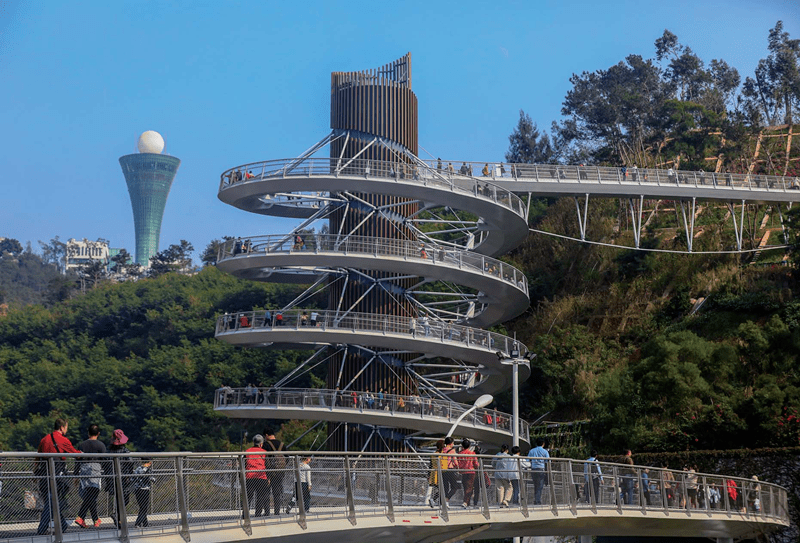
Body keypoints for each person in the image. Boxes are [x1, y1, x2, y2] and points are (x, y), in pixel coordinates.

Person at [37, 418, 81, 535]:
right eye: (66, 427)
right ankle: (42, 529)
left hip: (44, 473)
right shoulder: (63, 440)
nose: (66, 429)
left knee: (51, 500)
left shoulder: (44, 439)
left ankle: (62, 525)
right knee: (52, 500)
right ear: (62, 427)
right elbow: (74, 453)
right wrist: (82, 453)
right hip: (57, 474)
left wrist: (34, 472)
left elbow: (37, 457)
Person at [75, 424, 106, 528]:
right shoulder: (101, 445)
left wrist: (76, 474)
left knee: (90, 495)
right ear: (98, 433)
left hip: (84, 470)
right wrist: (107, 473)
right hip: (96, 470)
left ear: (88, 433)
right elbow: (105, 461)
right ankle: (81, 516)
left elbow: (77, 460)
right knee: (93, 492)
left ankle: (94, 519)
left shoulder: (82, 445)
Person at [107, 429, 135, 528]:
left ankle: (117, 518)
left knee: (115, 498)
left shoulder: (109, 450)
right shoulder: (124, 450)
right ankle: (118, 517)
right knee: (124, 499)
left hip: (111, 477)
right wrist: (129, 473)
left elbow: (105, 464)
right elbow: (131, 462)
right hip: (123, 478)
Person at [262, 428, 287, 516]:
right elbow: (287, 457)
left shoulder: (265, 445)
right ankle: (277, 512)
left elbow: (263, 458)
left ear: (266, 435)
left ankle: (267, 512)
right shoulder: (282, 444)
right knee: (277, 493)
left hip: (268, 473)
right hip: (279, 473)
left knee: (266, 493)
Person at [245, 435, 269, 517]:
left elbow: (244, 463)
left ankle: (245, 513)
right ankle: (258, 513)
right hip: (261, 476)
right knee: (260, 496)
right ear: (261, 444)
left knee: (248, 496)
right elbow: (267, 464)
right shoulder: (264, 452)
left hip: (249, 476)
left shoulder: (247, 451)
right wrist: (268, 477)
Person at [133, 459, 155, 527]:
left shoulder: (149, 470)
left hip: (146, 489)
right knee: (143, 507)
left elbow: (152, 478)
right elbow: (139, 475)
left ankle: (145, 523)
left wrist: (152, 479)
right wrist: (145, 468)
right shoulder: (139, 469)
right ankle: (138, 523)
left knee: (144, 507)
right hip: (140, 489)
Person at [528, 438, 550, 505]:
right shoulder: (545, 451)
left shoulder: (531, 451)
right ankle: (538, 500)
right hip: (541, 469)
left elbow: (527, 460)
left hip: (533, 469)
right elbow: (548, 461)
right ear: (543, 444)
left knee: (535, 485)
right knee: (540, 486)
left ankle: (536, 499)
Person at [457, 439, 478, 508]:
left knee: (465, 487)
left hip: (463, 471)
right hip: (471, 471)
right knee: (469, 487)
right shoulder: (472, 454)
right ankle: (466, 502)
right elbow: (476, 463)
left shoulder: (460, 453)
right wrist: (477, 467)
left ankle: (467, 502)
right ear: (469, 446)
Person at [425, 440, 444, 507]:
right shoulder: (443, 454)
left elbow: (430, 465)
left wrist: (428, 475)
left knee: (440, 489)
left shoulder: (433, 454)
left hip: (434, 474)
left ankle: (436, 501)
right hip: (441, 473)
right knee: (442, 489)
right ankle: (435, 500)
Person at [441, 437, 460, 503]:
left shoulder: (442, 449)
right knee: (455, 486)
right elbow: (455, 461)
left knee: (445, 487)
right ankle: (447, 499)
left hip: (443, 469)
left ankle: (442, 503)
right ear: (451, 443)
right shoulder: (452, 450)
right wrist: (457, 467)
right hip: (450, 469)